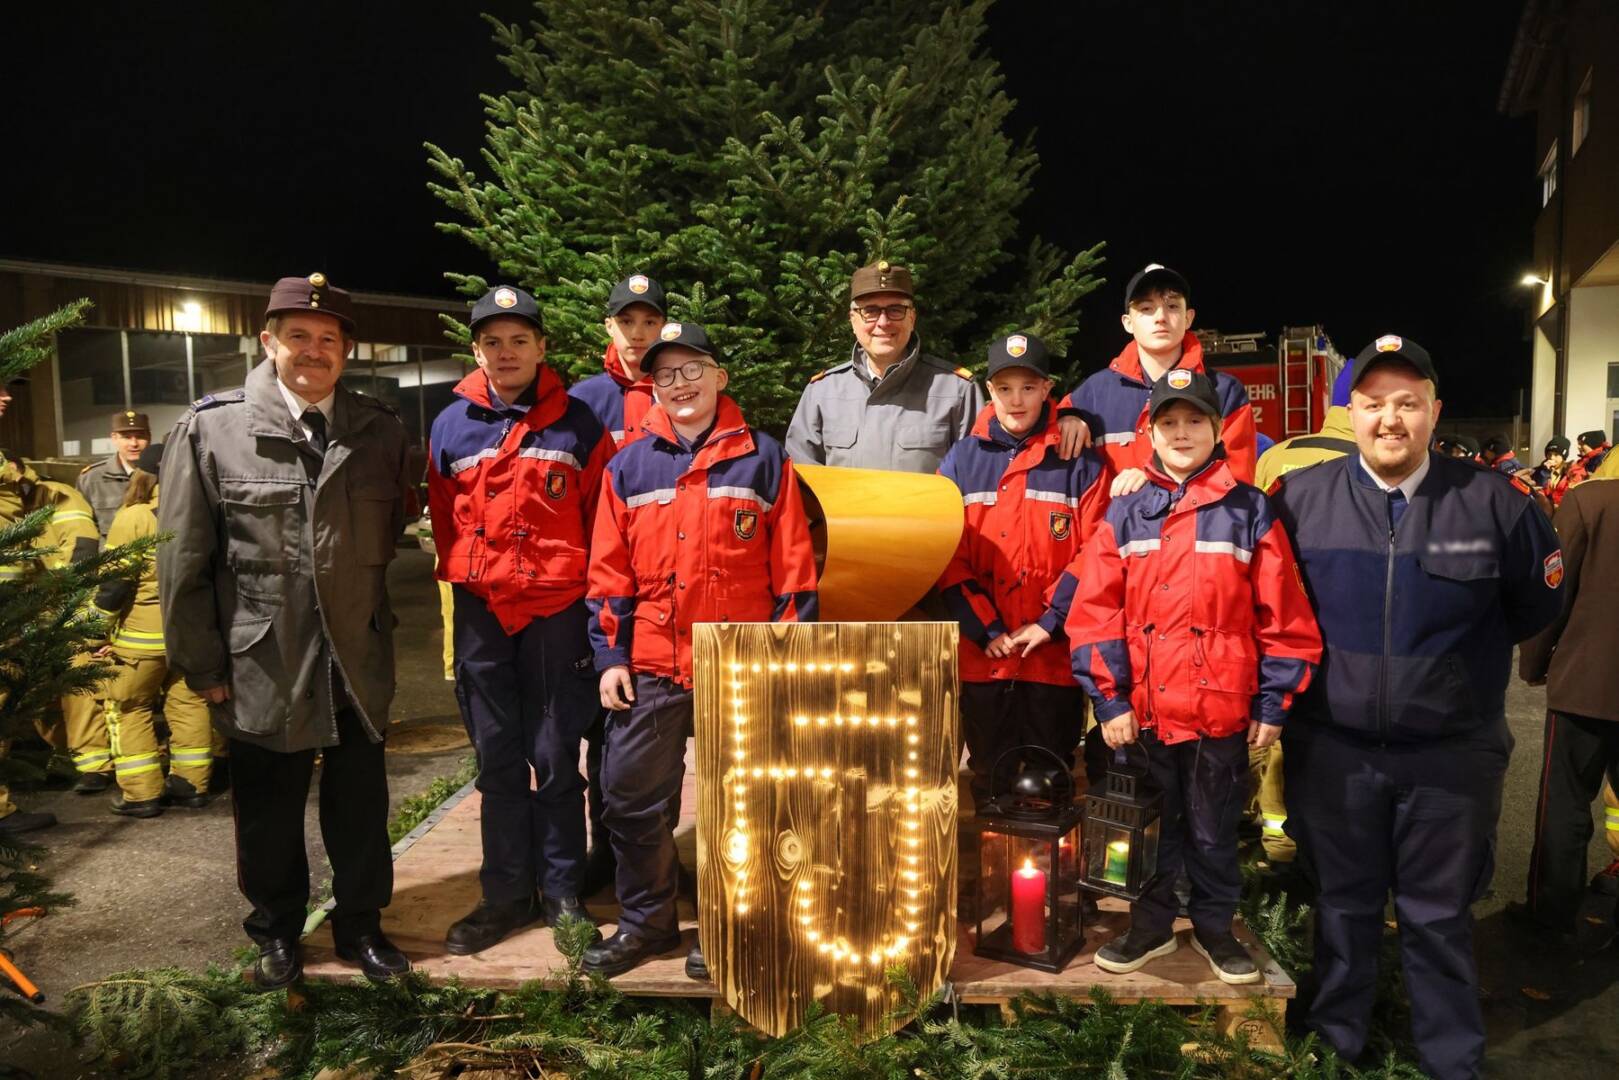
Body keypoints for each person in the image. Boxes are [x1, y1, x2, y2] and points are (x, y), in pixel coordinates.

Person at [1270, 335, 1563, 1080]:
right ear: (1351, 413)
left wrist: (1450, 682)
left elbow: (1535, 606)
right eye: (1374, 404)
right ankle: (1336, 1051)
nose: (1390, 420)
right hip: (1333, 753)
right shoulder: (1298, 503)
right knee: (1341, 909)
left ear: (1436, 411)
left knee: (1438, 917)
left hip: (1451, 759)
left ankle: (1449, 1060)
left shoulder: (1496, 504)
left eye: (1408, 403)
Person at [160, 273, 413, 989]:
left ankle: (360, 925)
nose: (313, 350)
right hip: (263, 659)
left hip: (355, 655)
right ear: (268, 341)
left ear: (346, 351)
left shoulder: (379, 430)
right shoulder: (212, 429)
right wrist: (202, 664)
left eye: (328, 339)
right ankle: (276, 931)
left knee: (360, 805)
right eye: (298, 335)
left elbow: (391, 533)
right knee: (269, 810)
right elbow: (183, 559)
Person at [1065, 369, 1321, 985]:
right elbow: (1095, 613)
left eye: (1195, 421)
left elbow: (1284, 617)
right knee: (1149, 831)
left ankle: (1214, 928)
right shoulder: (1127, 512)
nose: (1182, 433)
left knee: (1213, 832)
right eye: (1169, 422)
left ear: (1216, 429)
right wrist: (1109, 700)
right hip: (1143, 716)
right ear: (1151, 433)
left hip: (1220, 713)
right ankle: (1150, 927)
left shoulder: (1249, 510)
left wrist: (1274, 702)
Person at [585, 321, 817, 978]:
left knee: (740, 806)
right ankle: (647, 923)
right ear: (651, 387)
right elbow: (608, 575)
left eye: (692, 370)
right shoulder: (628, 466)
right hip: (652, 665)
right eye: (665, 374)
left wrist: (781, 659)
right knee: (629, 800)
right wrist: (611, 659)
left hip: (740, 665)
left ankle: (728, 926)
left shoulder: (764, 459)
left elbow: (795, 573)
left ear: (719, 376)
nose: (679, 384)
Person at [427, 285, 615, 956]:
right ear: (476, 351)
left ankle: (561, 892)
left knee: (555, 758)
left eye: (518, 340)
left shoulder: (580, 425)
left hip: (556, 613)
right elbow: (444, 517)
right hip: (483, 613)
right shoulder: (450, 425)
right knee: (497, 760)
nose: (505, 353)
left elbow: (601, 523)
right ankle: (505, 894)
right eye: (492, 342)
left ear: (541, 347)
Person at [936, 333, 1106, 809]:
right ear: (989, 390)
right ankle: (993, 856)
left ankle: (1051, 858)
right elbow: (945, 549)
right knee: (990, 779)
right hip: (984, 656)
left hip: (1051, 658)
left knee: (1051, 781)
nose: (1016, 400)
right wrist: (985, 628)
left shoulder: (1079, 462)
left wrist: (1051, 623)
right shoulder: (961, 461)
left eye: (1028, 388)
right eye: (1005, 388)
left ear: (1047, 389)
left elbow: (1097, 551)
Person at [568, 274, 668, 895]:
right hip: (599, 585)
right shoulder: (582, 403)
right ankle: (604, 847)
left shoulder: (679, 389)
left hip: (660, 589)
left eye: (648, 322)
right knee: (601, 726)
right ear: (608, 326)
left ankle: (658, 853)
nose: (637, 334)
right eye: (626, 322)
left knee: (650, 730)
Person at [1247, 363, 1356, 864]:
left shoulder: (1279, 454)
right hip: (1346, 632)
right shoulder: (1383, 460)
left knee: (1275, 733)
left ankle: (1277, 843)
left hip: (1279, 620)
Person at [1515, 470, 1619, 943]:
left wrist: (1533, 661)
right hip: (1588, 684)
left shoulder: (1590, 501)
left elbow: (1554, 592)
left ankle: (1551, 915)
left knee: (1565, 803)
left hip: (1587, 684)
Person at [93, 443, 218, 817]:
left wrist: (94, 634)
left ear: (142, 478)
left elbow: (114, 586)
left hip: (140, 643)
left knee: (128, 708)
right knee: (191, 705)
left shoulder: (133, 517)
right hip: (191, 637)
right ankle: (192, 786)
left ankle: (142, 794)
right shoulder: (202, 513)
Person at [1056, 264, 1257, 487]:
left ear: (1188, 318)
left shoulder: (1225, 392)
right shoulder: (1095, 392)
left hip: (1199, 512)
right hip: (1114, 512)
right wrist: (1068, 417)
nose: (1161, 317)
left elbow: (1238, 481)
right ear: (1128, 323)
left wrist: (1157, 484)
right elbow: (1047, 430)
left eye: (1172, 306)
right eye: (1146, 308)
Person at [785, 261, 984, 474]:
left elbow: (976, 477)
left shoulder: (957, 391)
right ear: (853, 321)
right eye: (870, 311)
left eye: (895, 310)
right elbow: (800, 479)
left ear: (912, 318)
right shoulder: (822, 392)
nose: (883, 322)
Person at [0, 423, 100, 835]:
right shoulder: (13, 503)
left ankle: (88, 762)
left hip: (51, 613)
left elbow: (82, 550)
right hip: (19, 619)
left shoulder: (56, 496)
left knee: (72, 688)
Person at [77, 410, 152, 538]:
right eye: (126, 437)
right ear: (114, 438)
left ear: (149, 438)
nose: (134, 444)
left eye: (140, 437)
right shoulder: (91, 479)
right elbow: (84, 528)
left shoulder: (163, 474)